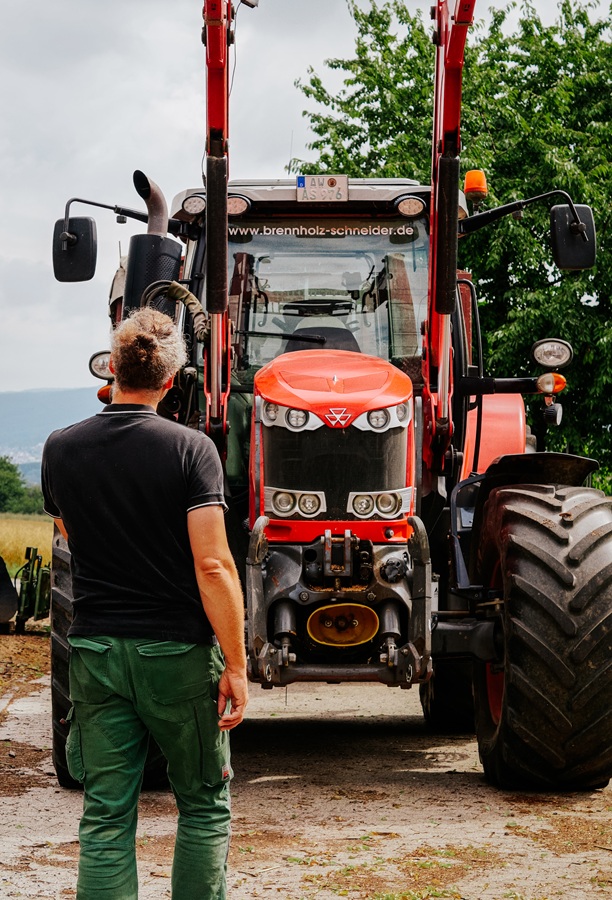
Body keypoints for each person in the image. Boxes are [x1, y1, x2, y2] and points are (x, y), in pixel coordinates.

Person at [42, 307, 248, 900]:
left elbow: (74, 534)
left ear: (112, 370)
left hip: (96, 651)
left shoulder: (60, 448)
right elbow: (212, 565)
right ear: (172, 376)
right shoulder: (193, 450)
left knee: (106, 813)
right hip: (177, 653)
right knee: (204, 804)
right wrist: (234, 666)